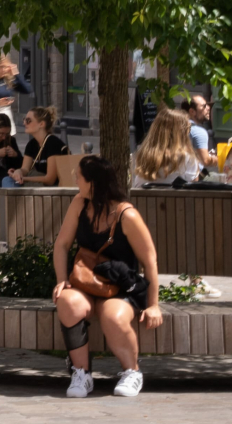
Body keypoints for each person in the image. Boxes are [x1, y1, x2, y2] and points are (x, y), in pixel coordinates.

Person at [53, 155, 162, 398]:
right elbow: (61, 245)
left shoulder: (127, 215)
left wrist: (154, 305)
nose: (75, 180)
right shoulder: (80, 203)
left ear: (93, 182)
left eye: (78, 177)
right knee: (68, 302)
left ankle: (132, 371)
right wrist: (62, 280)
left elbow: (150, 260)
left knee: (112, 316)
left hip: (120, 287)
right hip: (85, 282)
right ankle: (81, 373)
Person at [131, 108, 202, 187]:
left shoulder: (142, 154)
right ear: (181, 133)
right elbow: (194, 188)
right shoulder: (187, 158)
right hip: (174, 199)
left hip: (141, 198)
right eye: (188, 129)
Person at [12, 106, 71, 185]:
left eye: (28, 120)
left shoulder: (53, 143)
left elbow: (50, 179)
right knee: (7, 180)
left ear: (41, 124)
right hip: (40, 183)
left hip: (55, 186)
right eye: (24, 119)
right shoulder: (31, 144)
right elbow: (25, 169)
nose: (24, 123)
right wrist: (18, 172)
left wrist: (24, 179)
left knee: (13, 183)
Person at [0, 54, 32, 121]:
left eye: (6, 67)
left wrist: (16, 74)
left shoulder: (7, 79)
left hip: (7, 115)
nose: (4, 70)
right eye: (1, 67)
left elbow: (27, 89)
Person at [180, 95, 216, 168]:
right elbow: (206, 161)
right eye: (204, 106)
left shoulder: (177, 126)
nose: (208, 108)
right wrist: (222, 158)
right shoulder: (199, 131)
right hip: (192, 177)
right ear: (192, 111)